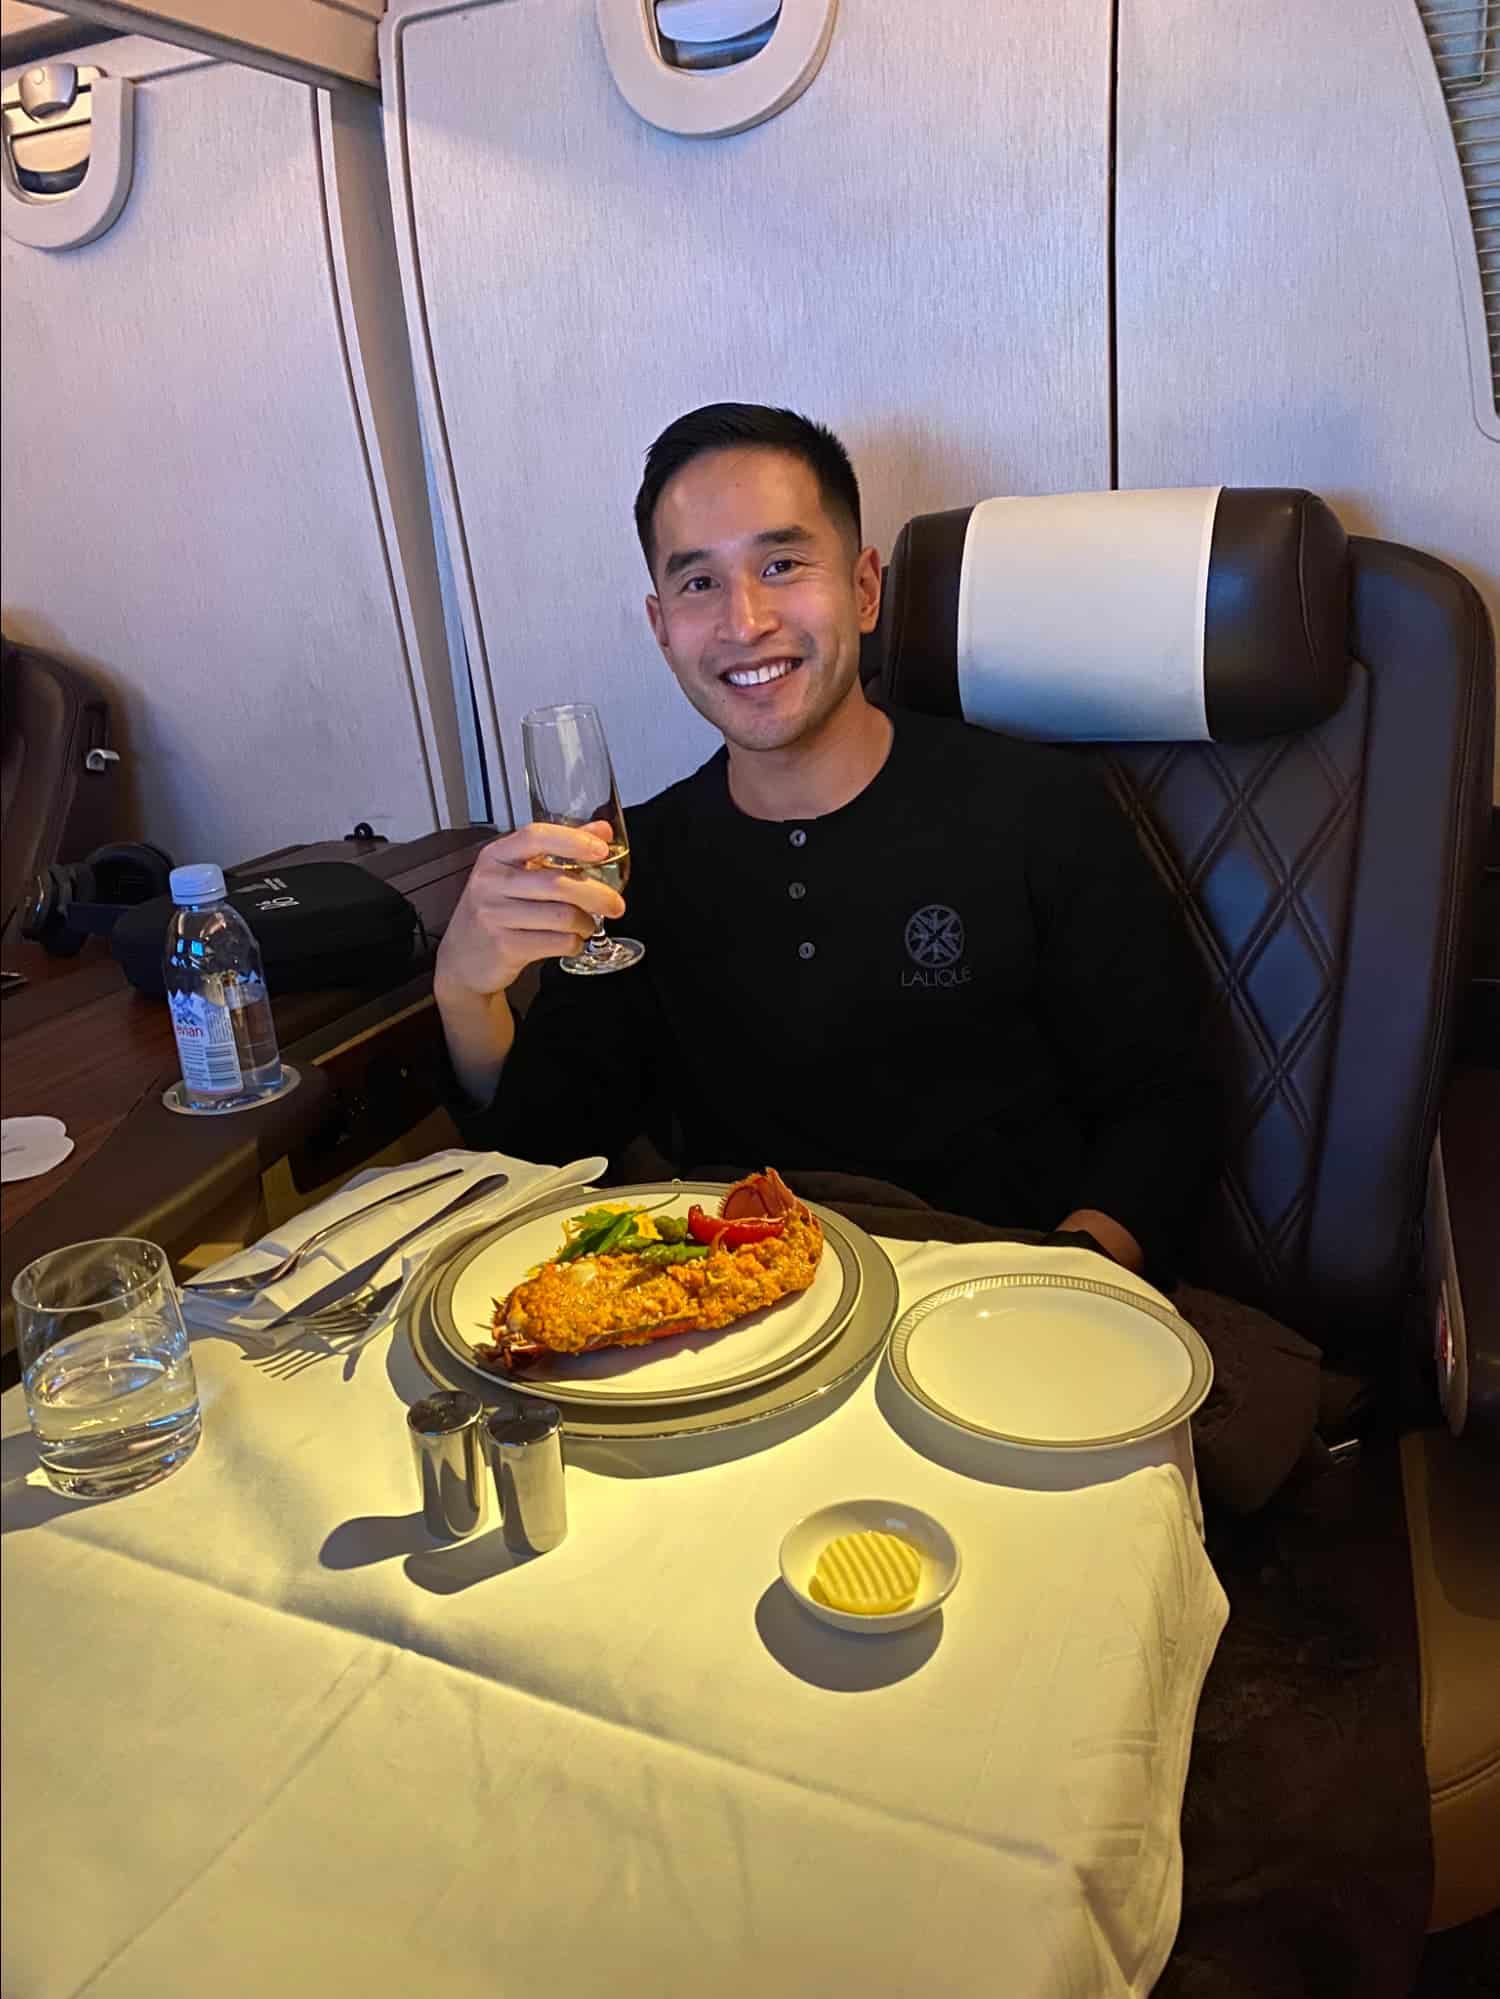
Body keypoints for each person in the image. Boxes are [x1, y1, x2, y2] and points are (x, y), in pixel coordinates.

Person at [435, 404, 1215, 1285]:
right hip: (743, 1330)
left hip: (1007, 1305)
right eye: (699, 584)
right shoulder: (636, 868)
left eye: (781, 564)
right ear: (661, 628)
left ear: (865, 588)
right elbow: (553, 1160)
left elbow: (1167, 1102)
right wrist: (467, 991)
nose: (746, 619)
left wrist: (1069, 1285)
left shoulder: (1037, 807)